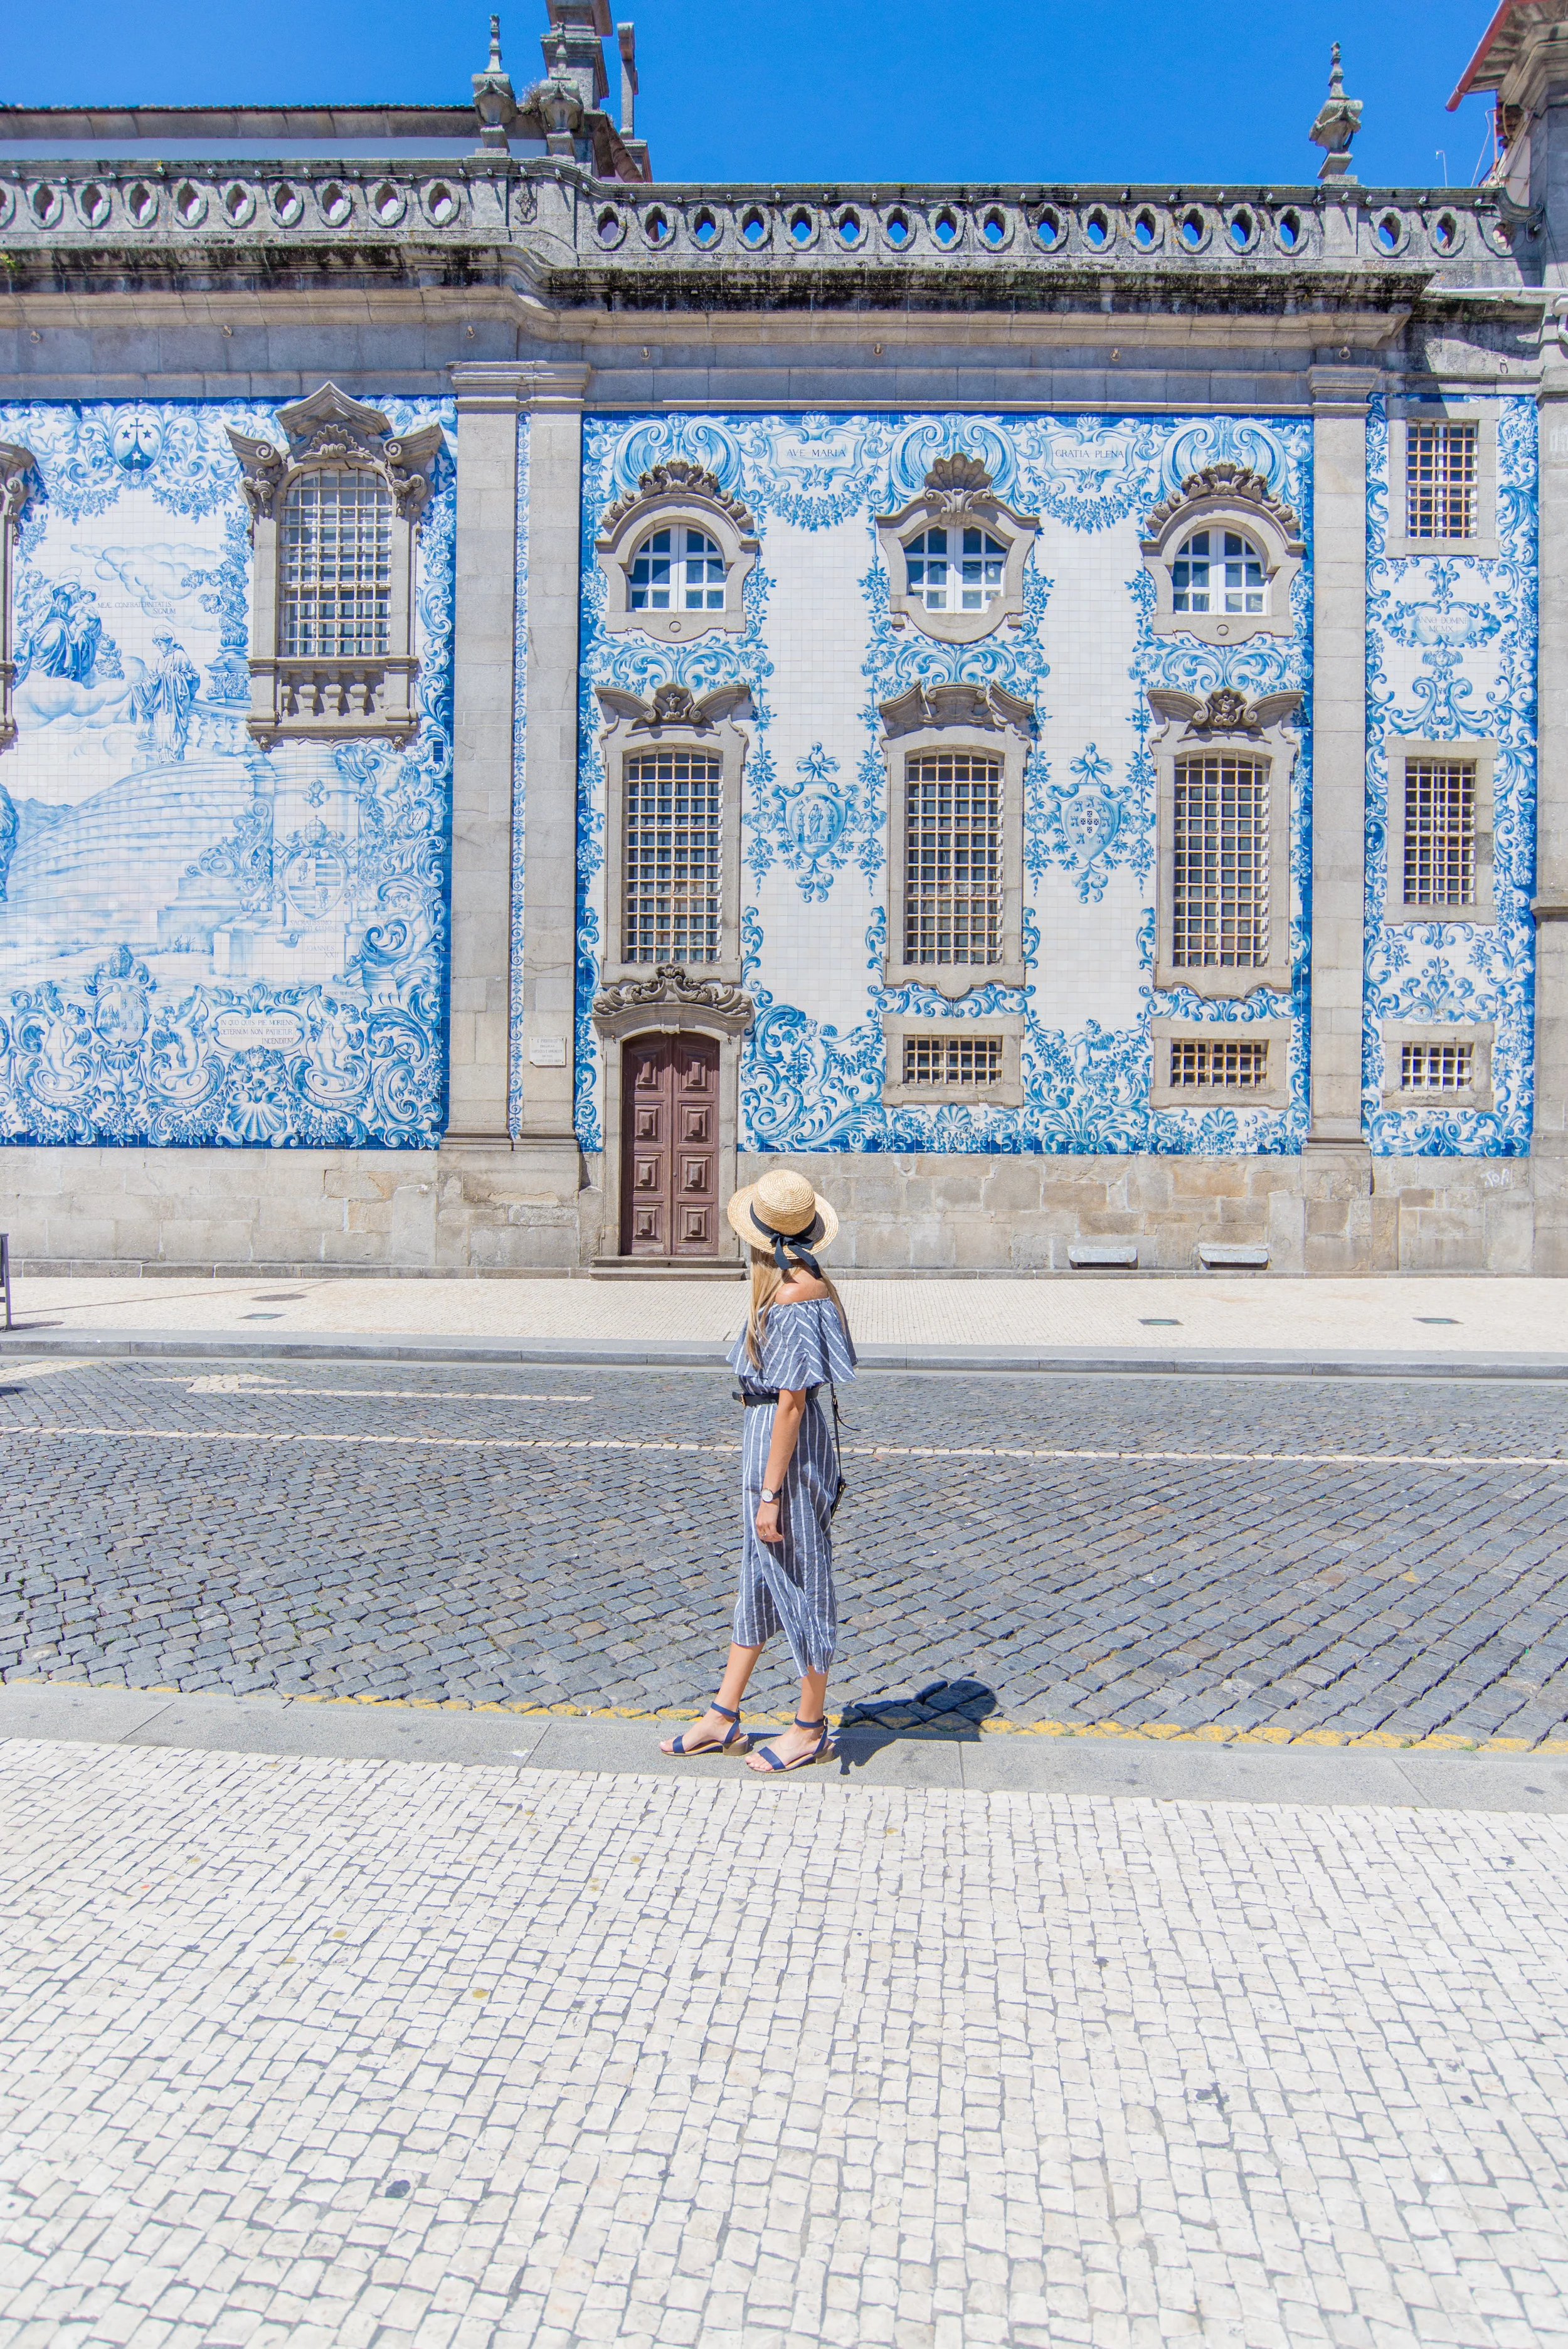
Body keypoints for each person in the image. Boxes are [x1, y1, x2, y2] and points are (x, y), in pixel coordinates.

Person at [660, 1165, 856, 1773]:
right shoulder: (792, 1285)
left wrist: (770, 1493)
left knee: (802, 1579)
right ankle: (723, 1714)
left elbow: (792, 1402)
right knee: (758, 1576)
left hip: (784, 1458)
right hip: (770, 1446)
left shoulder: (795, 1296)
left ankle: (810, 1727)